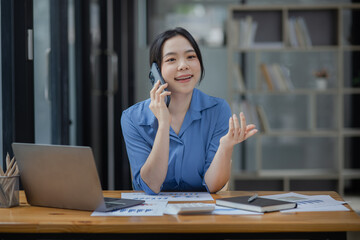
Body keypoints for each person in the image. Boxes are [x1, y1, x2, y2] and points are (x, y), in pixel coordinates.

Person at [121, 27, 257, 195]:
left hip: (201, 215)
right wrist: (163, 124)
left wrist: (225, 146)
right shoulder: (132, 118)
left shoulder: (218, 110)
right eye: (171, 59)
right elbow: (151, 186)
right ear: (155, 72)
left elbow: (212, 185)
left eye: (191, 57)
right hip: (153, 216)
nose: (184, 65)